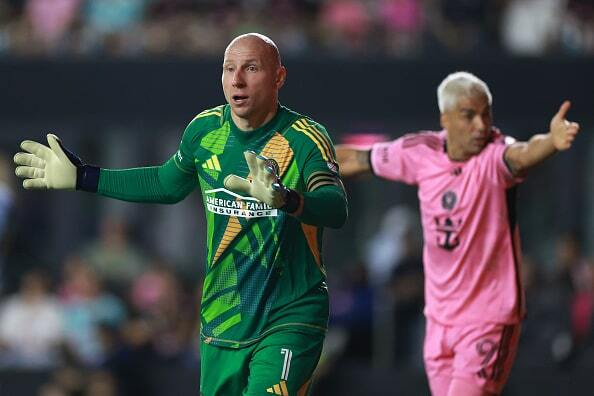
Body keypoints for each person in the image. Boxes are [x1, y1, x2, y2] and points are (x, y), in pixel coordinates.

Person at [13, 33, 347, 395]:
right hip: (225, 316)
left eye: (251, 68)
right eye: (228, 69)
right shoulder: (205, 131)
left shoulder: (305, 138)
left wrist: (287, 199)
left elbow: (335, 207)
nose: (237, 80)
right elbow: (165, 183)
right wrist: (83, 177)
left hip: (290, 313)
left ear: (279, 77)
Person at [335, 71, 580, 396]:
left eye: (486, 114)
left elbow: (522, 154)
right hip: (439, 320)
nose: (481, 125)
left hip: (488, 319)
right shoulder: (420, 151)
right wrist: (296, 157)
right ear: (445, 118)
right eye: (469, 115)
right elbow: (355, 158)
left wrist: (550, 142)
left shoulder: (495, 156)